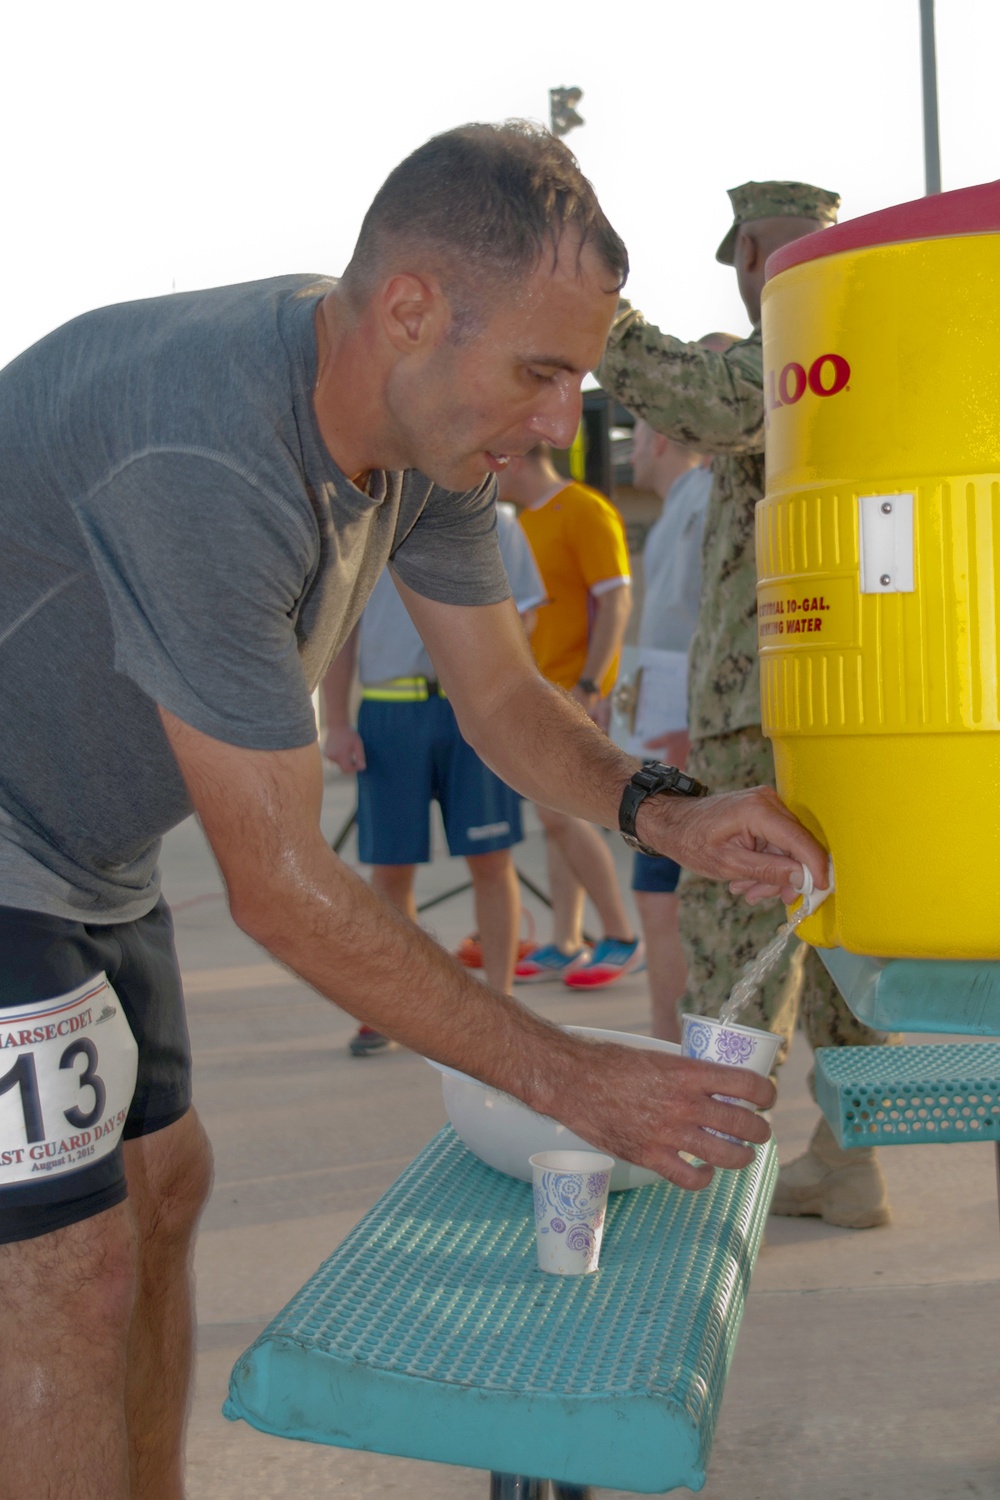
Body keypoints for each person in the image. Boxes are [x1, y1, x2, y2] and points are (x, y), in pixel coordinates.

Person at [0, 126, 828, 1498]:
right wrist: (571, 1078)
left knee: (161, 1198)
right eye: (543, 371)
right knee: (64, 1272)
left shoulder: (426, 443)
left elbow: (505, 702)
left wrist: (668, 812)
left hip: (86, 855)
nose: (567, 420)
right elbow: (274, 883)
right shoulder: (205, 450)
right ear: (410, 309)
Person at [597, 179, 899, 1230]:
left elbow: (704, 395)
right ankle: (848, 1158)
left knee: (731, 946)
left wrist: (596, 312)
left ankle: (706, 1174)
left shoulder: (804, 349)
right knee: (831, 952)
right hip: (833, 708)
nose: (746, 272)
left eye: (754, 252)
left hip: (767, 713)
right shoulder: (866, 345)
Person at [323, 501, 544, 1054]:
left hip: (473, 710)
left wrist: (497, 687)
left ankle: (503, 1004)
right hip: (390, 713)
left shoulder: (498, 519)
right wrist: (337, 722)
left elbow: (527, 613)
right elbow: (340, 633)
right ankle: (399, 1007)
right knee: (391, 868)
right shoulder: (369, 518)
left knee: (491, 860)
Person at [496, 445, 644, 989]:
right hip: (539, 692)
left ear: (518, 457)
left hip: (576, 692)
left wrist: (591, 684)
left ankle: (622, 934)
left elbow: (617, 601)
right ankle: (566, 939)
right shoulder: (523, 522)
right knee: (555, 818)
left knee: (563, 815)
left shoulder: (583, 509)